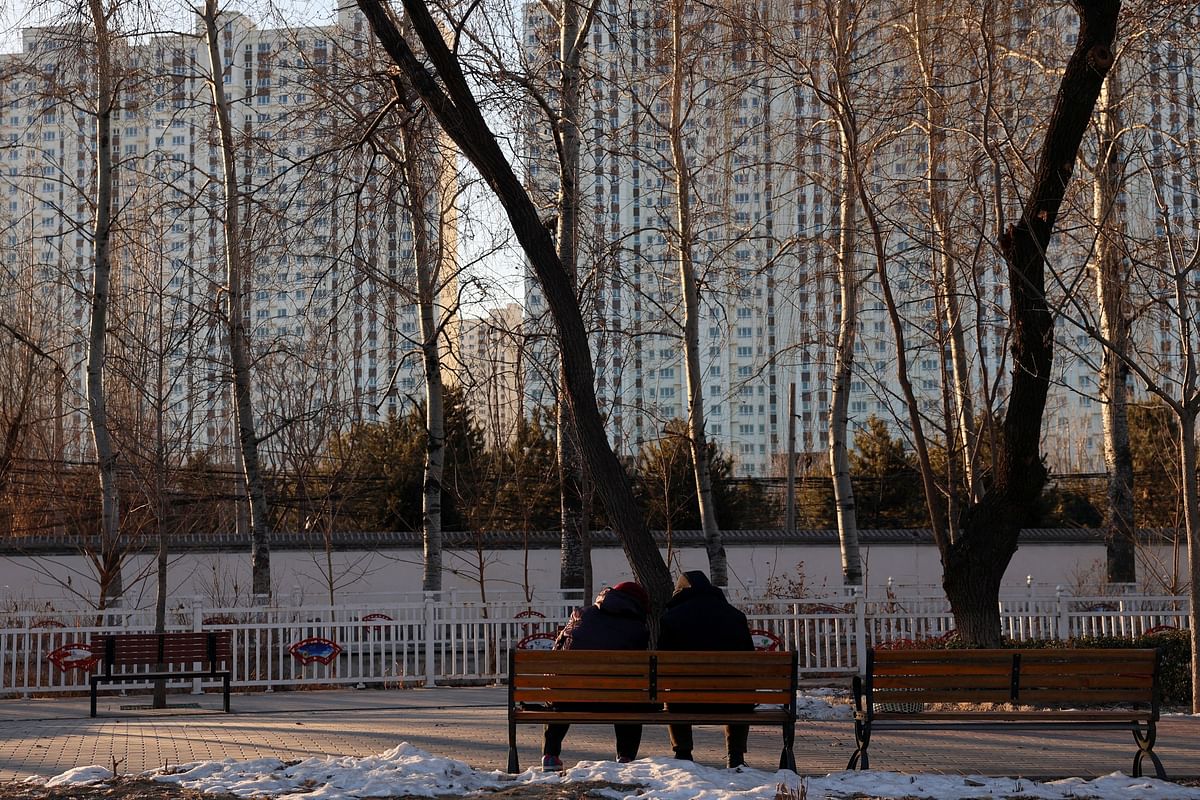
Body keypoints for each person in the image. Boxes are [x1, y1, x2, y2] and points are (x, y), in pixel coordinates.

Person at [541, 581, 651, 770]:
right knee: (629, 698)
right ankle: (625, 757)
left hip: (572, 697)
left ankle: (550, 756)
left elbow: (557, 650)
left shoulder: (581, 614)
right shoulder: (637, 627)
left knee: (561, 694)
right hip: (618, 701)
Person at [659, 570, 755, 768]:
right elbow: (749, 658)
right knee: (740, 689)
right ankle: (735, 755)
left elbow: (663, 663)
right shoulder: (735, 616)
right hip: (733, 702)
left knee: (675, 691)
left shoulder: (671, 618)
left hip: (686, 702)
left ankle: (683, 752)